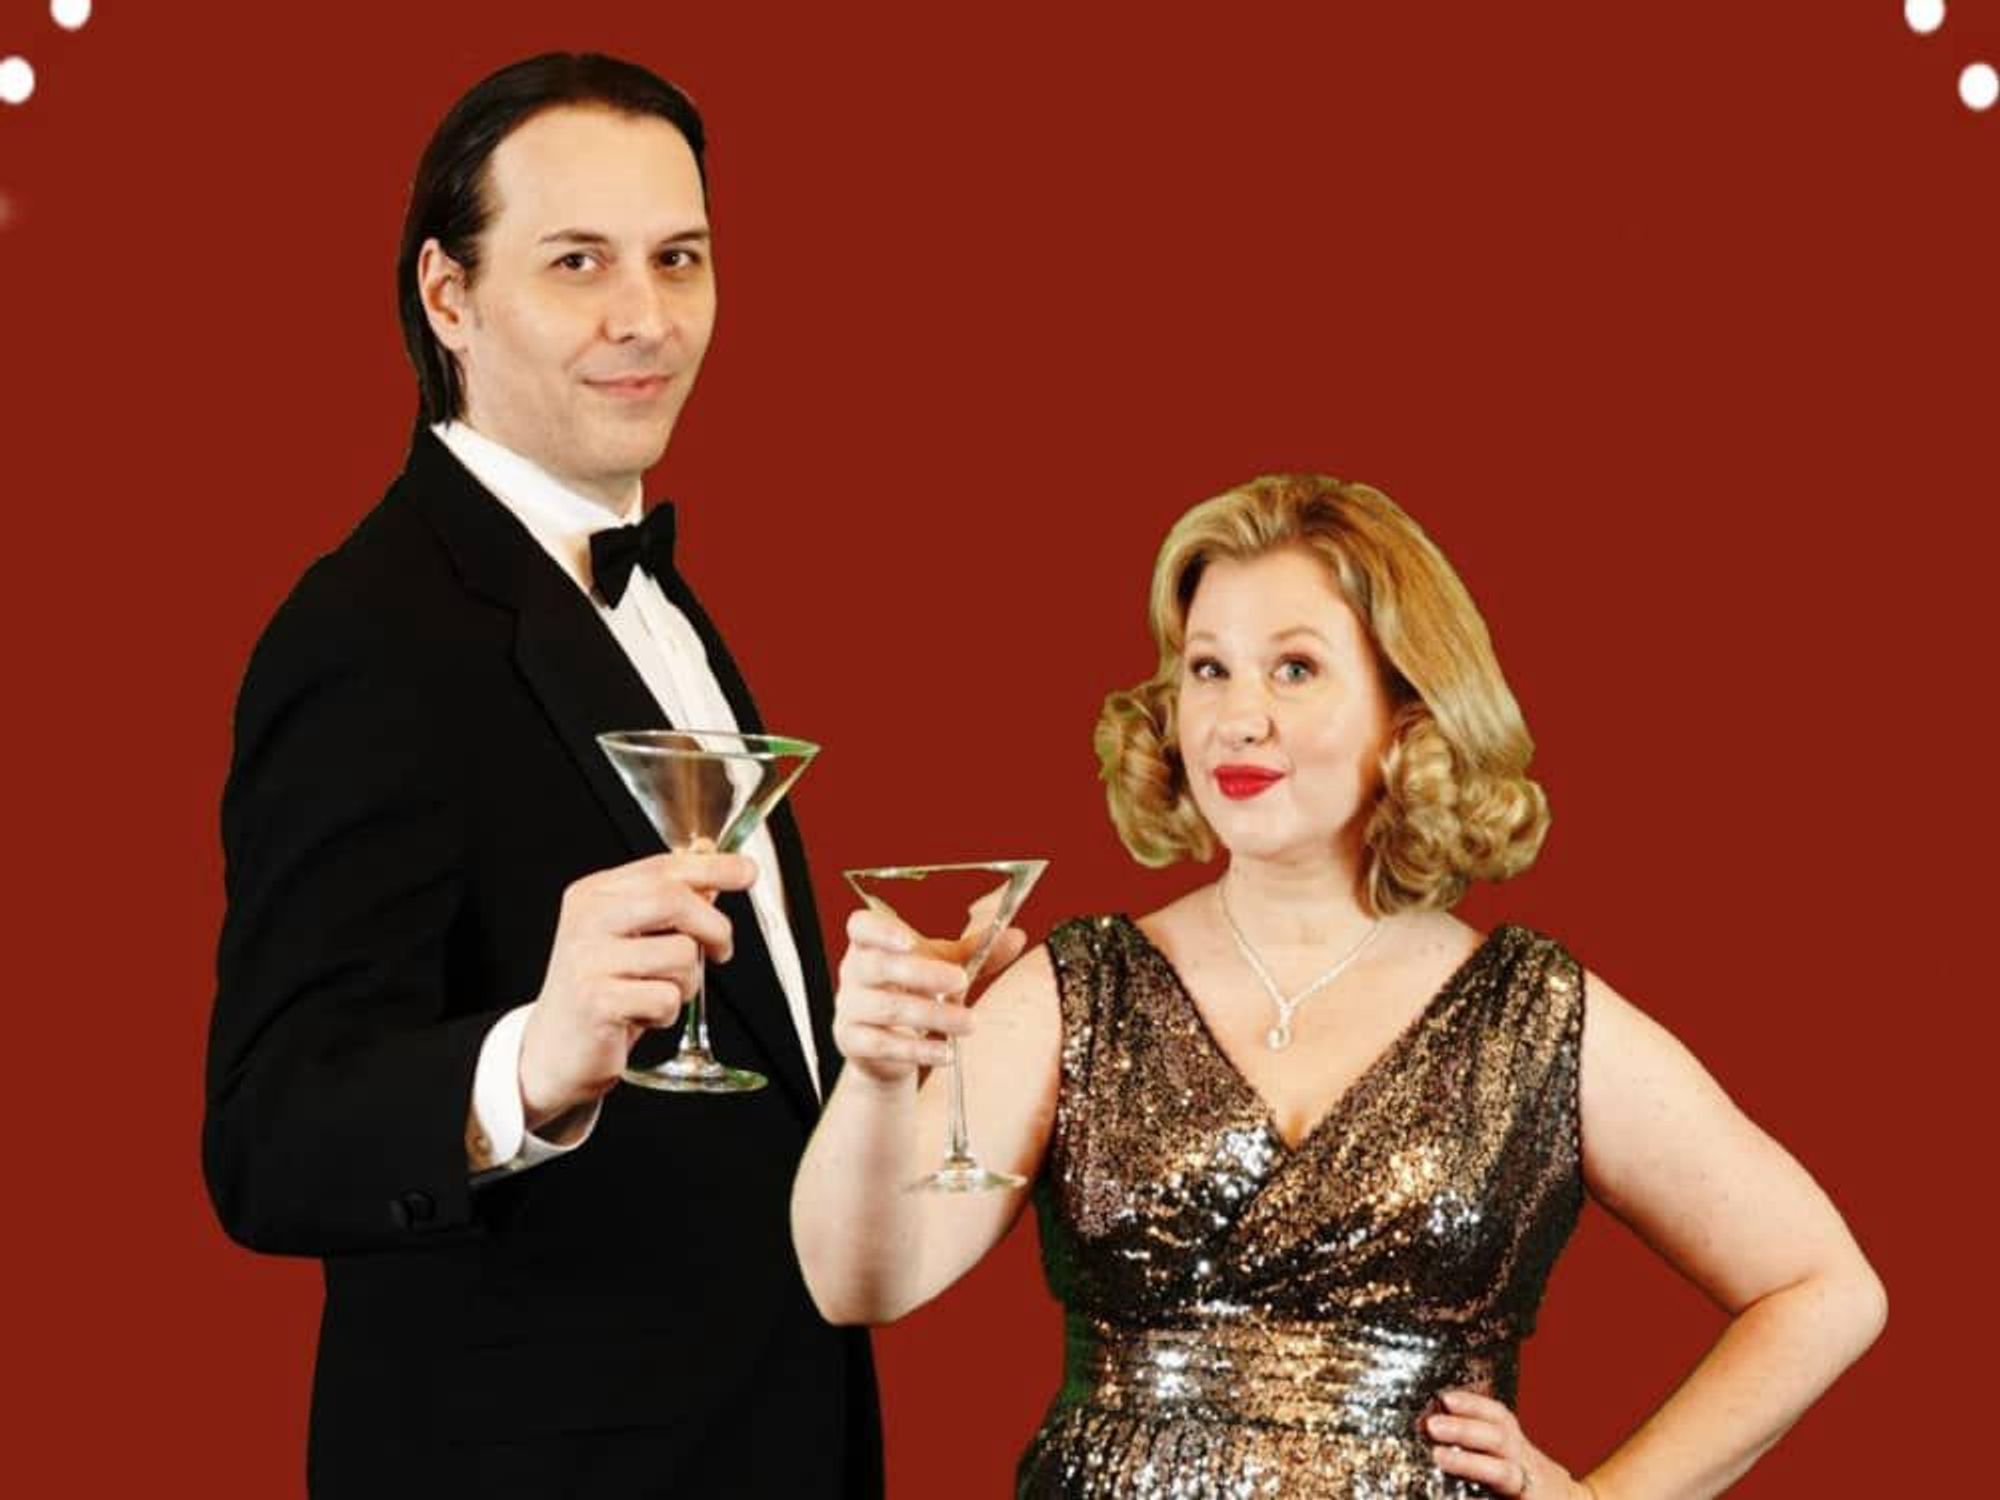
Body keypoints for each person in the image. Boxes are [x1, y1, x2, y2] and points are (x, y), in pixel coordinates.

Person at [791, 474, 1886, 1496]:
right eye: (1207, 668)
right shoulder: (1079, 988)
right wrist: (878, 1076)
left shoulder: (1529, 1015)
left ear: (1408, 707)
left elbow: (1824, 1290)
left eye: (1295, 669)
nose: (1237, 716)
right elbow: (857, 1284)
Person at [203, 54, 879, 1498]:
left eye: (678, 258)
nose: (647, 318)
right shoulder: (367, 632)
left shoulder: (652, 603)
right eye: (578, 262)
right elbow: (271, 1139)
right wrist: (530, 1060)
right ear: (448, 296)